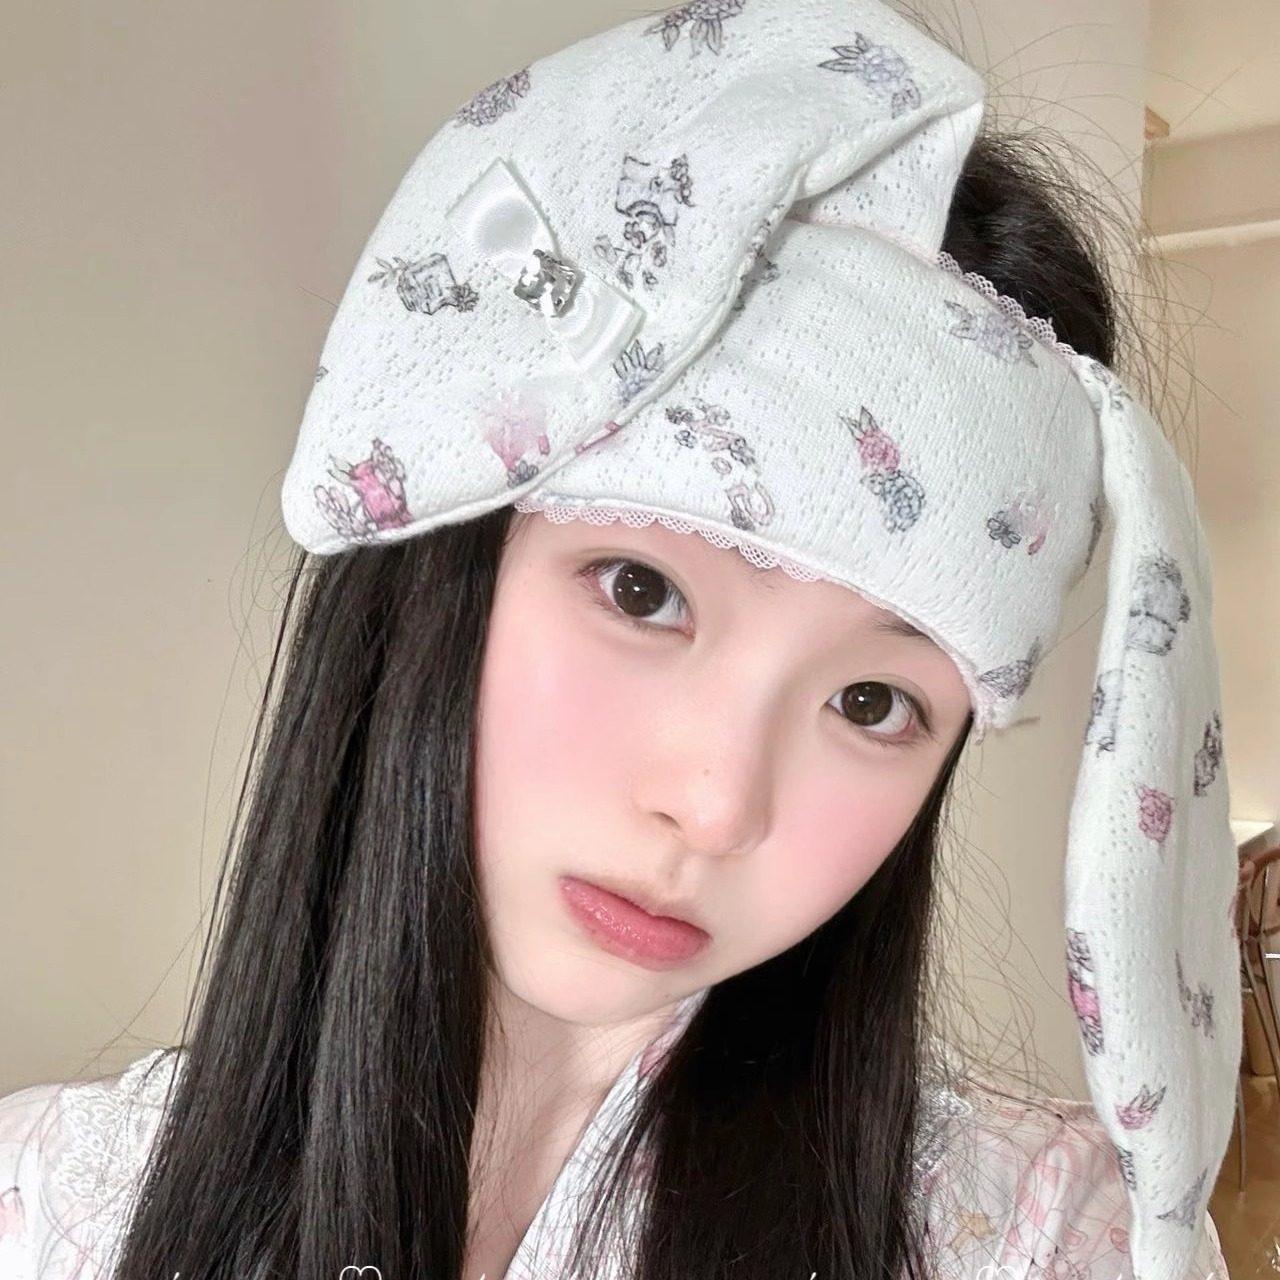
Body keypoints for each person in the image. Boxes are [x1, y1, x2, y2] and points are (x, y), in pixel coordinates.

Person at [0, 2, 1239, 1278]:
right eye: (642, 590)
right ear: (448, 564)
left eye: (872, 701)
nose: (713, 804)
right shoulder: (49, 1206)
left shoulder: (1035, 1238)